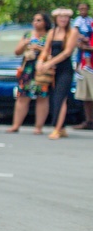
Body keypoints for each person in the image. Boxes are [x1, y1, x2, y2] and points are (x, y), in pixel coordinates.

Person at [7, 12, 51, 134]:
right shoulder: (27, 35)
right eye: (34, 20)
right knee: (22, 96)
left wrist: (39, 48)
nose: (35, 23)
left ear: (45, 23)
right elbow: (17, 51)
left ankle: (38, 127)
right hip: (28, 68)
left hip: (42, 68)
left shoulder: (49, 36)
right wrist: (25, 44)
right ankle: (16, 125)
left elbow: (52, 52)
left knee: (42, 97)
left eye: (39, 20)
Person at [39, 8, 79, 140]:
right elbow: (46, 49)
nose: (63, 19)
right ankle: (62, 127)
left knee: (60, 98)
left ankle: (57, 128)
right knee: (52, 97)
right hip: (52, 70)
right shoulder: (52, 32)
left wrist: (50, 63)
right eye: (60, 17)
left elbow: (67, 52)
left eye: (65, 17)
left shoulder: (72, 32)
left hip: (65, 69)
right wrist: (41, 61)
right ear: (56, 19)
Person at [71, 2, 93, 130]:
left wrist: (88, 47)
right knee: (86, 95)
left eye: (85, 8)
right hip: (83, 64)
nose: (82, 10)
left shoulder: (90, 23)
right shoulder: (77, 23)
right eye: (80, 8)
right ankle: (88, 121)